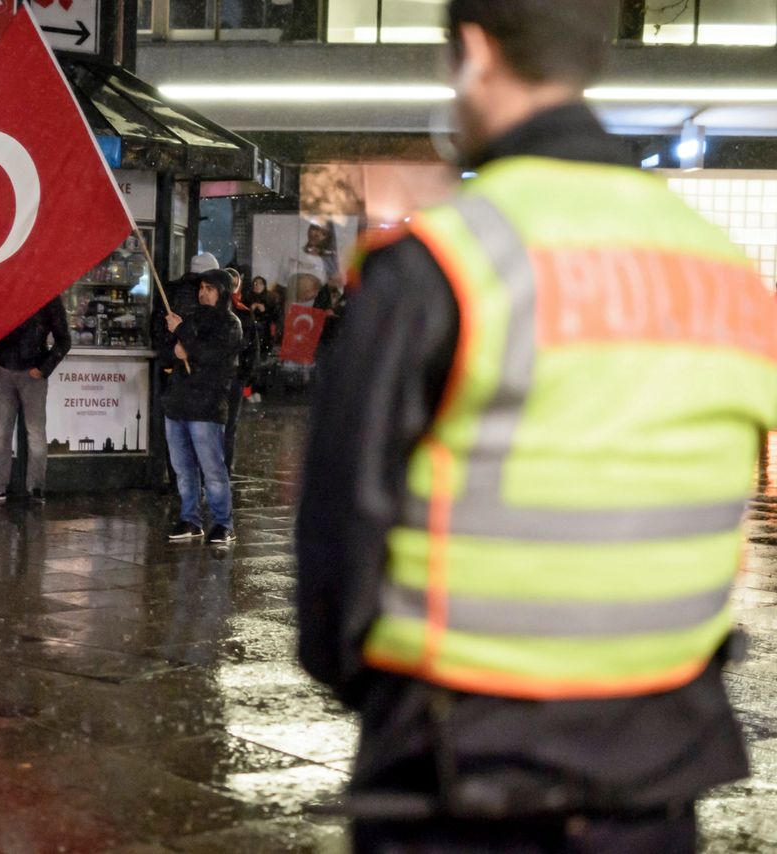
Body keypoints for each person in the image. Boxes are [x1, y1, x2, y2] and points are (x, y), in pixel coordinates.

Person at [296, 2, 777, 851]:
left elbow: (341, 534)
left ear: (476, 53)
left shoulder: (441, 265)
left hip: (464, 767)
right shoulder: (725, 269)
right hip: (660, 761)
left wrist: (366, 689)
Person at [161, 269, 241, 544]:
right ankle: (190, 519)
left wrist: (182, 334)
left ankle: (223, 522)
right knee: (183, 468)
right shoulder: (192, 320)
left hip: (206, 407)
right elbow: (167, 352)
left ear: (222, 292)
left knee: (212, 469)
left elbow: (210, 356)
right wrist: (174, 348)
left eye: (209, 288)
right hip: (179, 404)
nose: (202, 292)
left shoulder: (230, 324)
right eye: (201, 287)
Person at [0, 294, 71, 503]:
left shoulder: (22, 294)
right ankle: (27, 488)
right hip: (16, 370)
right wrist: (43, 368)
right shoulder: (41, 294)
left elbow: (64, 340)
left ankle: (11, 486)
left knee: (18, 433)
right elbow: (63, 340)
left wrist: (43, 369)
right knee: (23, 434)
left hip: (21, 371)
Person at [221, 268, 258, 475]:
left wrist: (247, 374)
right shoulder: (215, 310)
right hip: (218, 376)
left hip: (234, 376)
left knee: (230, 425)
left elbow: (252, 347)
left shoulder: (243, 312)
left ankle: (225, 466)